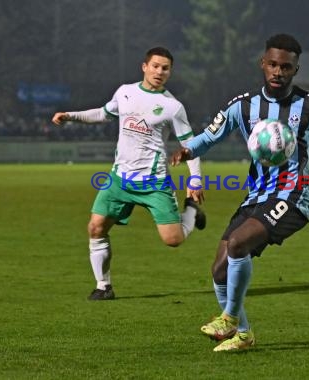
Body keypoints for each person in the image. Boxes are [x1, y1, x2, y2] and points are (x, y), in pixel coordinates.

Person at [170, 34, 309, 352]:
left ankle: (230, 317)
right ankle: (244, 335)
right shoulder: (244, 106)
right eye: (272, 64)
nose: (278, 71)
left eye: (286, 67)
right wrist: (187, 150)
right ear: (263, 64)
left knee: (238, 243)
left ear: (295, 69)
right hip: (256, 196)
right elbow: (210, 136)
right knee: (219, 269)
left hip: (294, 196)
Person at [52, 47, 206, 300]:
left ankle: (190, 210)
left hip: (154, 183)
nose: (159, 72)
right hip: (119, 179)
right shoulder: (125, 92)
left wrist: (195, 180)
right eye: (155, 66)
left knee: (173, 240)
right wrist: (71, 116)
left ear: (170, 72)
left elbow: (191, 145)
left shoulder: (172, 107)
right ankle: (104, 287)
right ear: (144, 67)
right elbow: (103, 114)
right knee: (96, 227)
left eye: (165, 68)